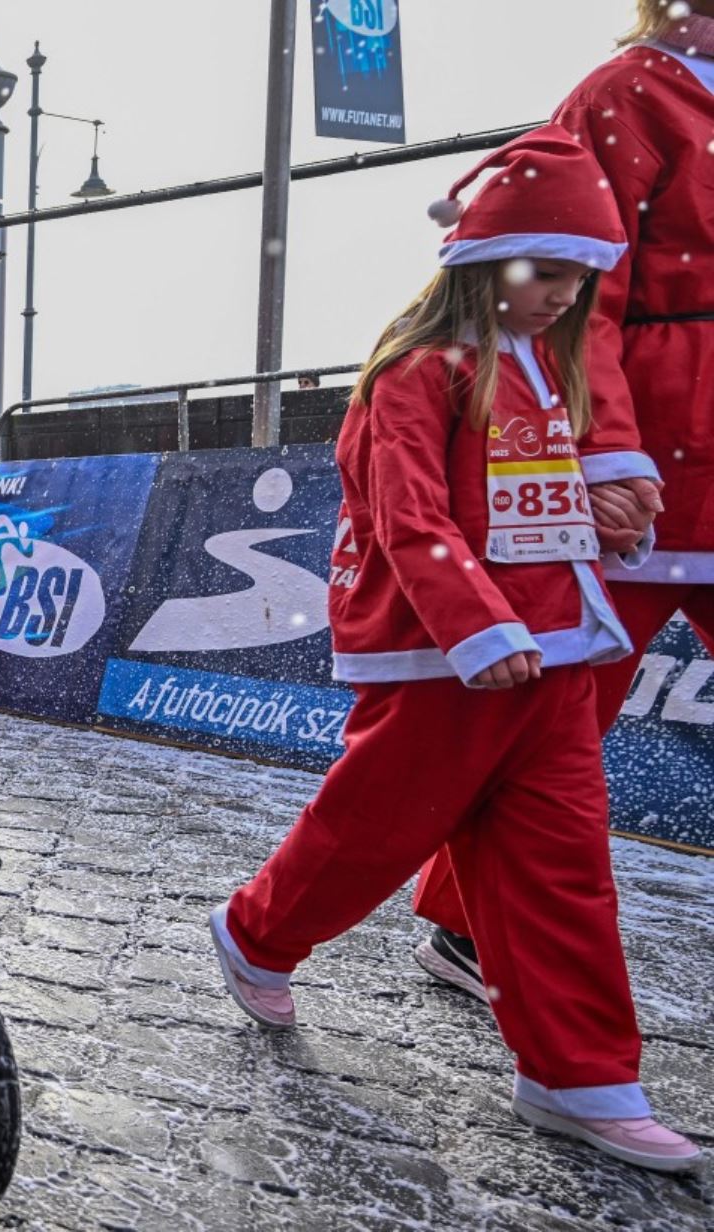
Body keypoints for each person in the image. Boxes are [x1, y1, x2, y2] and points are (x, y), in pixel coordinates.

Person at [207, 127, 699, 1172]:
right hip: (445, 666)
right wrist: (475, 627)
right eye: (547, 270)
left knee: (565, 869)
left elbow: (534, 507)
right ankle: (257, 930)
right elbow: (411, 517)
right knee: (372, 832)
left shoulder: (545, 374)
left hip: (555, 657)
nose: (566, 294)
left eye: (579, 275)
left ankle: (583, 1075)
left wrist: (612, 523)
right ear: (485, 261)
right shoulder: (417, 374)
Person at [409, 0, 706, 1005]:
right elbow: (581, 295)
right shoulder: (624, 95)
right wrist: (607, 448)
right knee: (555, 703)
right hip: (658, 453)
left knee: (559, 700)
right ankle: (462, 914)